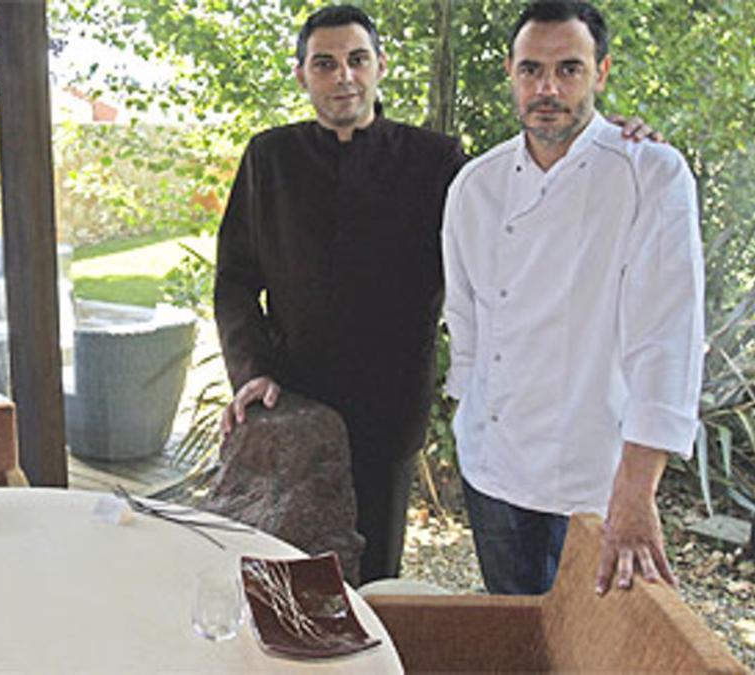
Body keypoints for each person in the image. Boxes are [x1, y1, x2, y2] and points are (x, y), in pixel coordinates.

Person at [215, 3, 659, 585]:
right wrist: (252, 369)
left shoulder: (437, 161)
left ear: (380, 66)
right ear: (302, 74)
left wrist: (611, 141)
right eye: (324, 64)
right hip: (292, 399)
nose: (343, 76)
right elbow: (235, 279)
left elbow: (522, 210)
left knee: (374, 574)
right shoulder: (267, 158)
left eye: (357, 59)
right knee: (284, 561)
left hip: (389, 401)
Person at [442, 0, 703, 595]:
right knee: (516, 635)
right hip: (494, 464)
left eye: (569, 69)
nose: (548, 88)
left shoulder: (651, 174)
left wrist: (636, 493)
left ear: (602, 73)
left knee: (591, 648)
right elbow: (467, 318)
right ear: (510, 72)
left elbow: (667, 340)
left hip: (594, 476)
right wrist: (468, 409)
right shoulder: (475, 186)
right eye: (532, 69)